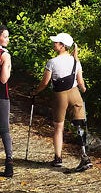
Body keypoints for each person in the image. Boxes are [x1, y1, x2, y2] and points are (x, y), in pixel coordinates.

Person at [32, 33, 92, 172]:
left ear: (62, 46)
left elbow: (44, 83)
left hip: (60, 96)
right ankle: (84, 156)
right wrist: (83, 89)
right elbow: (81, 83)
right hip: (75, 93)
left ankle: (58, 158)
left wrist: (35, 92)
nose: (54, 44)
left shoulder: (52, 62)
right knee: (80, 126)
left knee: (58, 128)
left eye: (56, 42)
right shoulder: (76, 61)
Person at [0, 25, 13, 177]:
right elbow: (3, 79)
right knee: (4, 130)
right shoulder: (4, 55)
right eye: (5, 36)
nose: (7, 39)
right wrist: (8, 68)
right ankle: (9, 164)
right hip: (1, 95)